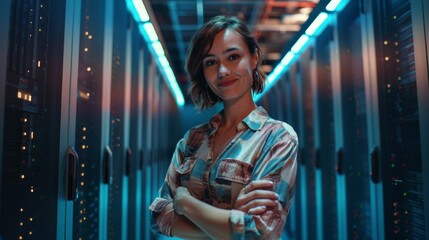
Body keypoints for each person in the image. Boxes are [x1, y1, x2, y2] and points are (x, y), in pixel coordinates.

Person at [149, 15, 298, 239]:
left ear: (254, 58)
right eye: (211, 62)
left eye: (233, 57)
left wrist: (185, 203)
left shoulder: (277, 138)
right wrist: (231, 219)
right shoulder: (193, 139)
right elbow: (158, 216)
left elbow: (259, 232)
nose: (222, 71)